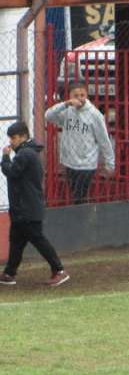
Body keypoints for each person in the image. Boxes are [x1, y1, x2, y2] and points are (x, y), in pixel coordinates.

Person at [0, 121, 69, 287]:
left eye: (14, 138)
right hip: (23, 208)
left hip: (27, 208)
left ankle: (59, 270)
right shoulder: (28, 153)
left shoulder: (25, 154)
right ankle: (9, 273)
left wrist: (5, 157)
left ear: (23, 136)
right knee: (16, 240)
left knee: (38, 239)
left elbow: (11, 172)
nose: (11, 141)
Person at [44, 83, 115, 204]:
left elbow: (104, 140)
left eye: (82, 95)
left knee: (79, 196)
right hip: (69, 162)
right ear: (70, 96)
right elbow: (48, 116)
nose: (79, 98)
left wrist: (110, 163)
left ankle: (81, 219)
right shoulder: (68, 111)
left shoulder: (95, 115)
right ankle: (80, 217)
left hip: (86, 163)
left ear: (87, 96)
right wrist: (65, 104)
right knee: (75, 195)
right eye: (75, 95)